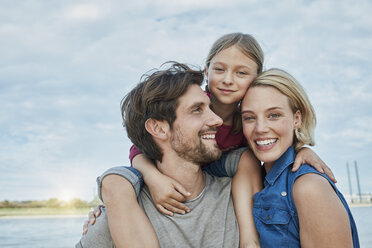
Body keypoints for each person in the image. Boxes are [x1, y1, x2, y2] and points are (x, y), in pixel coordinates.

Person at [84, 33, 335, 247]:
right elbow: (139, 149)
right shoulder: (191, 96)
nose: (228, 80)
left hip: (218, 167)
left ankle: (249, 240)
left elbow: (270, 139)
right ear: (207, 71)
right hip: (171, 170)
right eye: (219, 69)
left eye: (241, 72)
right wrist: (144, 182)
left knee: (247, 158)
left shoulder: (245, 123)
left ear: (256, 77)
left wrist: (302, 149)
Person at [76, 62, 258, 247]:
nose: (217, 120)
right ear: (158, 128)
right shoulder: (116, 221)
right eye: (197, 110)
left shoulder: (239, 199)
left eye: (210, 108)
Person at [240, 68, 359, 247]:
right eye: (249, 118)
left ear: (297, 119)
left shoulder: (309, 187)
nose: (260, 128)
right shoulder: (255, 177)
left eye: (274, 115)